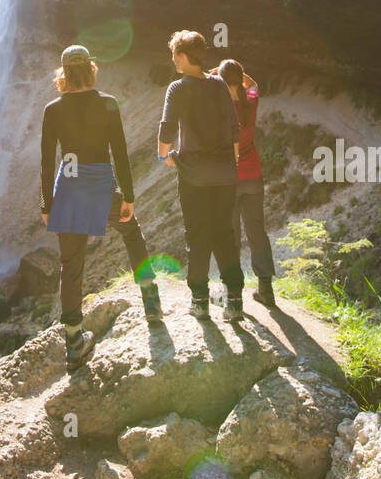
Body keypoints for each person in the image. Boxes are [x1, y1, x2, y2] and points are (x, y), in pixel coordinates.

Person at [41, 45, 160, 373]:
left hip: (68, 188)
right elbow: (120, 153)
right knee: (132, 234)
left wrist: (46, 205)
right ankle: (151, 302)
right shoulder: (107, 104)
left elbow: (46, 162)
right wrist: (129, 196)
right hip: (101, 186)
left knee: (71, 264)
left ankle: (74, 342)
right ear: (91, 69)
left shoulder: (53, 109)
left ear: (64, 74)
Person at [157, 30, 245, 320]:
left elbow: (168, 128)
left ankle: (199, 300)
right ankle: (234, 300)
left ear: (182, 56)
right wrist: (231, 164)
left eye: (174, 54)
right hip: (224, 174)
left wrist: (163, 155)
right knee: (224, 234)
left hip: (194, 174)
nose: (173, 60)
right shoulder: (220, 84)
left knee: (197, 235)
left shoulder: (178, 88)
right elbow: (234, 126)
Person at [215, 59, 277, 307]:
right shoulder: (250, 101)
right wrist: (236, 74)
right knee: (256, 231)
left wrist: (215, 75)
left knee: (230, 235)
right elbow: (253, 83)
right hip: (253, 176)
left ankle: (233, 294)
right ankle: (266, 288)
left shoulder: (218, 106)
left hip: (228, 179)